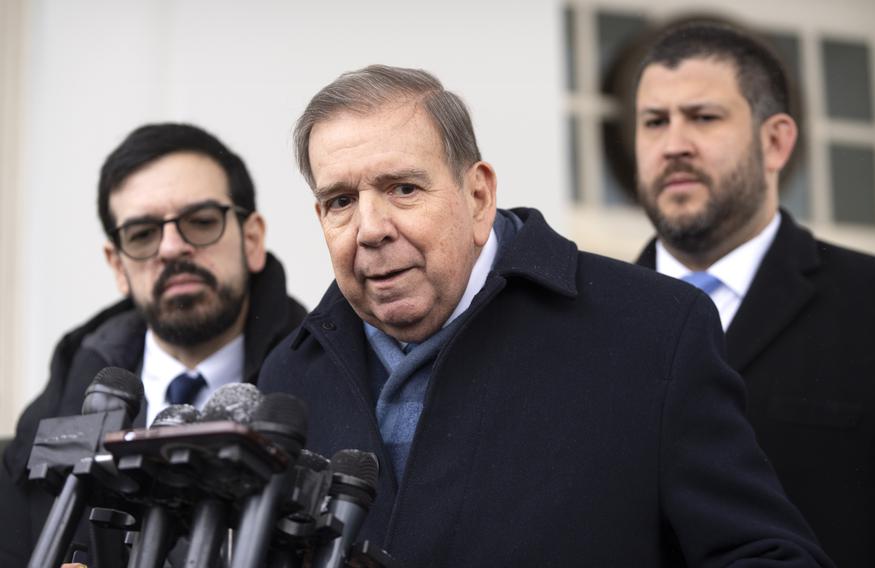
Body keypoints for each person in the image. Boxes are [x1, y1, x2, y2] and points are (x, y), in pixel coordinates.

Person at [258, 64, 833, 566]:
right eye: (341, 201)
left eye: (404, 188)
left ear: (479, 196)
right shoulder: (288, 379)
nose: (372, 228)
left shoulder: (654, 332)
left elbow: (766, 554)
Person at [632, 21, 875, 568]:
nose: (674, 145)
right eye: (654, 122)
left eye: (704, 117)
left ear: (776, 140)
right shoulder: (584, 319)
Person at [0, 123, 307, 565]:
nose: (171, 248)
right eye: (142, 234)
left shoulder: (326, 389)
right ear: (118, 265)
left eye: (201, 222)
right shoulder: (55, 410)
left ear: (252, 239)